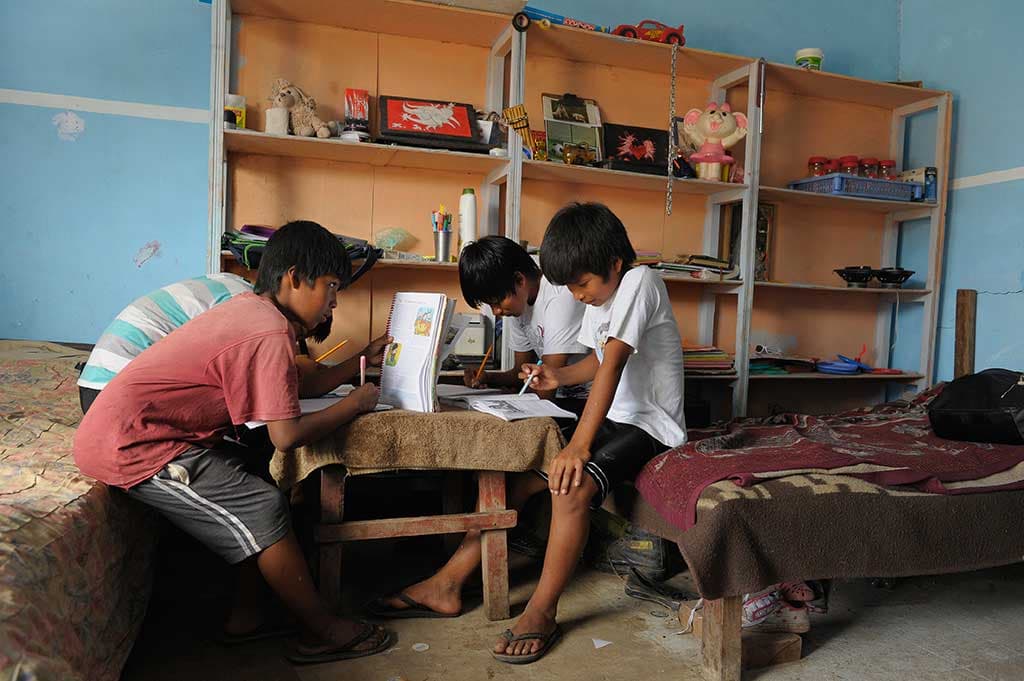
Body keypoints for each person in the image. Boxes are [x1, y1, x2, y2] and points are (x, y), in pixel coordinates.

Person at [370, 203, 686, 664]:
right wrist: (559, 377)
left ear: (615, 263)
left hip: (652, 425)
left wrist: (579, 446)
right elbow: (596, 361)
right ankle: (447, 583)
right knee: (521, 481)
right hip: (617, 417)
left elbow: (614, 363)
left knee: (570, 485)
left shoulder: (641, 282)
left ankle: (542, 610)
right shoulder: (601, 299)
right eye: (571, 287)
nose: (578, 295)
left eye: (581, 284)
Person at [73, 220, 394, 664]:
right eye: (331, 286)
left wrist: (358, 362)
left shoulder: (253, 312)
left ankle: (247, 617)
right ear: (294, 278)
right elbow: (286, 436)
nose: (334, 302)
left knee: (258, 481)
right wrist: (354, 404)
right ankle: (323, 630)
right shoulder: (268, 330)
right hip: (134, 445)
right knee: (262, 505)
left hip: (150, 433)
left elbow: (296, 386)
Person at [457, 235, 589, 403]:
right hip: (556, 398)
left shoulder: (559, 296)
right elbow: (520, 375)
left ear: (520, 280)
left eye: (497, 302)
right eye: (490, 305)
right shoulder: (518, 303)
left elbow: (545, 388)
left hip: (585, 400)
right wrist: (487, 377)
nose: (496, 311)